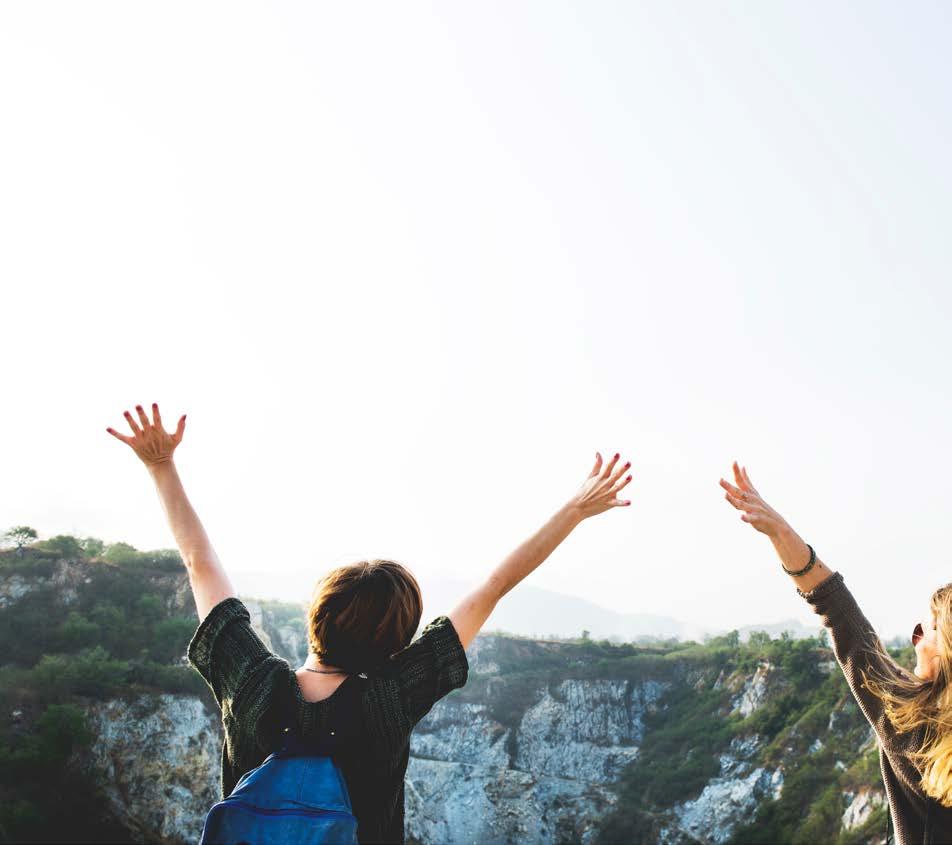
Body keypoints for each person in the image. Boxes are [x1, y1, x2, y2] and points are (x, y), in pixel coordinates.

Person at [106, 402, 633, 844]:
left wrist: (161, 466)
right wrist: (574, 510)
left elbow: (200, 564)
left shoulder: (252, 685)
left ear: (317, 616)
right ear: (398, 641)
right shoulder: (390, 698)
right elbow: (493, 587)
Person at [720, 461, 952, 845]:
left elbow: (838, 611)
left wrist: (779, 531)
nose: (913, 640)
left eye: (921, 632)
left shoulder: (909, 724)